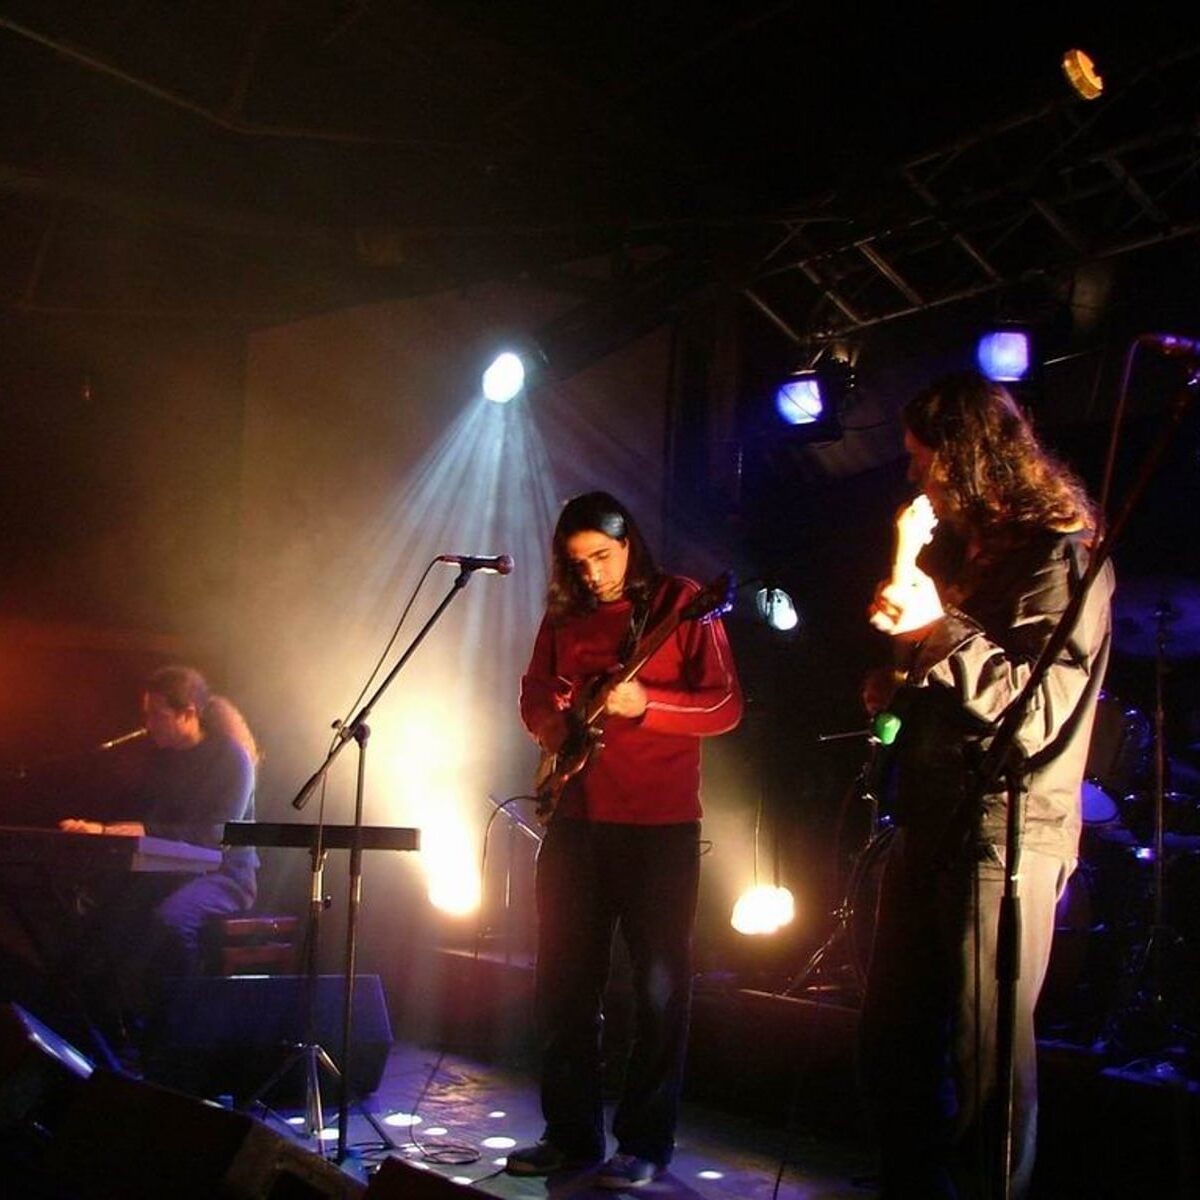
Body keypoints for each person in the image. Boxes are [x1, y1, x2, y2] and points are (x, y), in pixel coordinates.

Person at [858, 372, 1113, 1199]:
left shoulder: (1057, 556)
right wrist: (899, 677)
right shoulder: (969, 554)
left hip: (1006, 833)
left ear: (966, 458)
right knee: (893, 1038)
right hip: (932, 818)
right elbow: (945, 690)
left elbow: (1038, 712)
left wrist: (939, 630)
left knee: (986, 1056)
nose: (913, 474)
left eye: (921, 458)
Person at [507, 490, 742, 1189]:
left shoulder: (682, 603)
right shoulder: (566, 612)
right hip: (577, 821)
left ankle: (644, 1142)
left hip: (659, 830)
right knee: (563, 984)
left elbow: (726, 705)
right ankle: (570, 1133)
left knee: (659, 990)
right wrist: (553, 726)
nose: (593, 574)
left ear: (629, 545)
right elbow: (534, 690)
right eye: (578, 562)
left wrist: (651, 705)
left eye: (603, 557)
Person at [59, 664, 259, 1042]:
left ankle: (187, 1025)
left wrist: (147, 831)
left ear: (188, 714)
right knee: (101, 918)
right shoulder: (160, 759)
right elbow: (140, 819)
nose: (148, 724)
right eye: (147, 714)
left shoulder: (230, 759)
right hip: (166, 874)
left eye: (157, 715)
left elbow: (215, 835)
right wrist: (100, 830)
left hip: (225, 877)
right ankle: (119, 1029)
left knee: (171, 920)